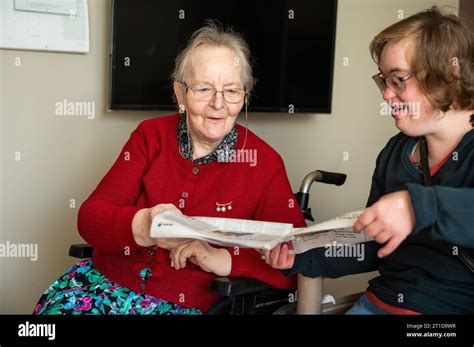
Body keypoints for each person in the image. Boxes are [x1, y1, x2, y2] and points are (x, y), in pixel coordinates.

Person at [34, 22, 305, 315]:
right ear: (180, 94)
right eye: (203, 89)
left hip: (181, 305)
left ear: (245, 96)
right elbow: (90, 217)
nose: (218, 104)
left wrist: (221, 258)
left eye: (231, 91)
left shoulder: (264, 163)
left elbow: (295, 260)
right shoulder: (150, 137)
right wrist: (145, 225)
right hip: (101, 286)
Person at [264, 6, 474, 314]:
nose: (387, 95)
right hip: (376, 304)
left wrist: (419, 207)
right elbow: (374, 245)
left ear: (450, 74)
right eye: (383, 81)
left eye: (399, 80)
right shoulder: (395, 153)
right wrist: (303, 256)